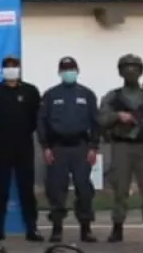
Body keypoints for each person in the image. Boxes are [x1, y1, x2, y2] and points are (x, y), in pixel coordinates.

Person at [98, 54, 143, 244]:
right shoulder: (113, 97)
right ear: (120, 72)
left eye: (134, 68)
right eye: (126, 68)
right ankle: (117, 228)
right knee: (120, 189)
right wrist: (117, 116)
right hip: (121, 146)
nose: (130, 71)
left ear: (141, 71)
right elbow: (101, 118)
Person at [0, 55, 43, 242]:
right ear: (2, 70)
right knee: (0, 189)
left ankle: (32, 229)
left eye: (14, 66)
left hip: (24, 145)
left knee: (26, 189)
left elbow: (37, 117)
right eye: (7, 66)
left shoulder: (30, 91)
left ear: (19, 69)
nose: (11, 69)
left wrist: (26, 130)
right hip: (2, 145)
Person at [37, 56, 100, 243]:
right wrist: (45, 147)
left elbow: (96, 122)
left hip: (81, 148)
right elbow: (41, 122)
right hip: (57, 148)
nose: (68, 73)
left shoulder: (87, 94)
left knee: (84, 188)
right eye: (65, 70)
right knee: (56, 189)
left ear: (77, 71)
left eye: (71, 69)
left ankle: (86, 228)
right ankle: (57, 228)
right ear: (59, 72)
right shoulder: (50, 95)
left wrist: (93, 146)